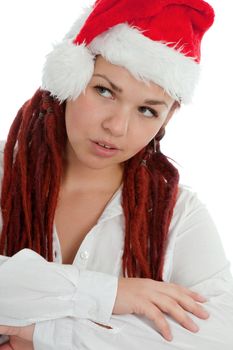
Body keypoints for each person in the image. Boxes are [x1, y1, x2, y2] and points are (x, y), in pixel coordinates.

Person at [0, 0, 233, 349]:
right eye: (104, 90)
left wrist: (49, 335)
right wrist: (112, 295)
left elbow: (219, 334)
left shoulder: (179, 215)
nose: (117, 127)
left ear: (167, 118)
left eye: (147, 110)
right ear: (70, 77)